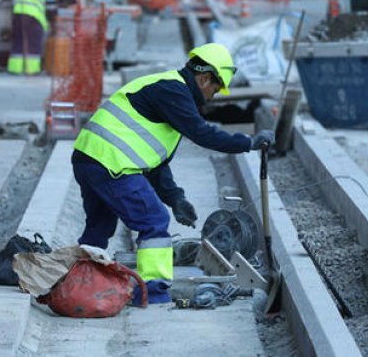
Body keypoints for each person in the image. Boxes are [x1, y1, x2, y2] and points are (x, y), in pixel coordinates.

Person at [71, 43, 273, 306]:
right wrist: (248, 143)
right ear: (203, 78)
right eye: (215, 87)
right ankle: (151, 292)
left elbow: (155, 160)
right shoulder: (174, 91)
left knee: (99, 226)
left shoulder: (167, 88)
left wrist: (176, 198)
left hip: (89, 159)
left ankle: (79, 282)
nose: (213, 96)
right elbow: (202, 133)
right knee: (154, 220)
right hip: (111, 164)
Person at [9, 0, 64, 75]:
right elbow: (51, 8)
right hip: (33, 16)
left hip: (18, 12)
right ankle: (32, 70)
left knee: (18, 42)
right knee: (33, 43)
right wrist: (53, 21)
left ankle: (15, 69)